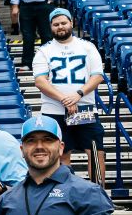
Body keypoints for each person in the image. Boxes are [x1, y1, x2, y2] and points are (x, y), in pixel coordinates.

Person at [32, 9, 106, 180]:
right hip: (54, 110)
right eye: (56, 24)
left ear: (71, 22)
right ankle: (64, 195)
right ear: (51, 27)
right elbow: (40, 81)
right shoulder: (44, 50)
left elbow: (97, 76)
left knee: (95, 151)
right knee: (61, 153)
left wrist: (77, 95)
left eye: (63, 23)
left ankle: (98, 194)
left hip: (84, 108)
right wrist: (65, 99)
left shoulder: (87, 46)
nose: (60, 27)